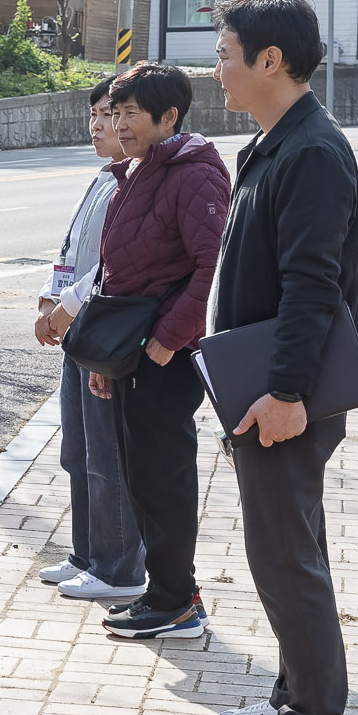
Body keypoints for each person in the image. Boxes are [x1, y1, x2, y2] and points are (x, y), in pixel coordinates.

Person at [205, 0, 358, 715]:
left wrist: (287, 392)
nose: (218, 67)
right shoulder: (277, 143)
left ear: (272, 60)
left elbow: (313, 285)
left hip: (281, 394)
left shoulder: (312, 153)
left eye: (227, 51)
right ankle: (292, 693)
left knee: (283, 555)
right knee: (290, 546)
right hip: (262, 386)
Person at [82, 61, 231, 643]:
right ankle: (165, 592)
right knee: (141, 476)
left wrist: (169, 342)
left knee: (163, 479)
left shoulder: (194, 175)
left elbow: (209, 269)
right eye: (114, 113)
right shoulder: (138, 170)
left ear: (169, 116)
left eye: (130, 114)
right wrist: (106, 360)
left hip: (165, 355)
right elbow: (117, 272)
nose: (119, 124)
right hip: (130, 353)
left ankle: (178, 603)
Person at [32, 80, 145, 604]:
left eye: (113, 114)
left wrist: (66, 310)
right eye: (97, 115)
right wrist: (46, 299)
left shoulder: (140, 184)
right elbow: (72, 247)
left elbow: (112, 268)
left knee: (108, 456)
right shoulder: (104, 178)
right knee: (78, 452)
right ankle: (87, 554)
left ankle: (118, 568)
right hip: (78, 332)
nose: (102, 126)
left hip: (105, 336)